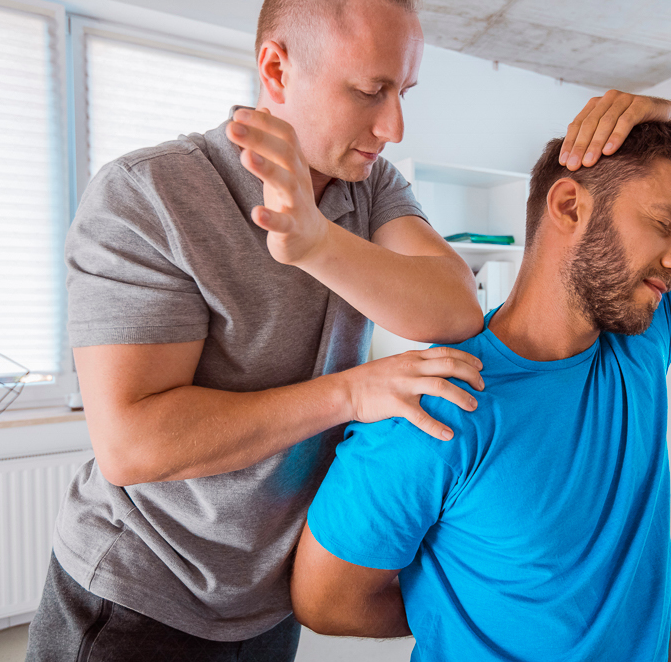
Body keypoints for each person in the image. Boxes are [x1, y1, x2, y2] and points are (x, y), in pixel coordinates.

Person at [26, 0, 490, 660]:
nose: (393, 126)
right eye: (368, 91)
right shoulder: (150, 192)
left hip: (269, 600)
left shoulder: (369, 185)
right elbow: (132, 444)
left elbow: (453, 308)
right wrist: (350, 394)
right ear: (275, 67)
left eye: (402, 91)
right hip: (137, 598)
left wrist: (315, 243)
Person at [290, 93, 671, 661]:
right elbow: (326, 602)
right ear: (568, 206)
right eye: (663, 224)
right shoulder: (431, 410)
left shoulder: (641, 339)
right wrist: (461, 615)